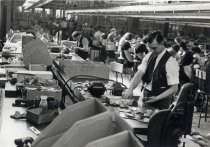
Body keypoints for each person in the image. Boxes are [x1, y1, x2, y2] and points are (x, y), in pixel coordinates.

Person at [123, 31, 179, 110]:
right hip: (147, 94)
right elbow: (139, 74)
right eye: (150, 48)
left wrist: (157, 98)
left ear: (162, 43)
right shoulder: (149, 55)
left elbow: (174, 88)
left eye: (154, 48)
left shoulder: (171, 61)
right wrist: (131, 88)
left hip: (162, 100)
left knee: (157, 121)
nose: (152, 51)